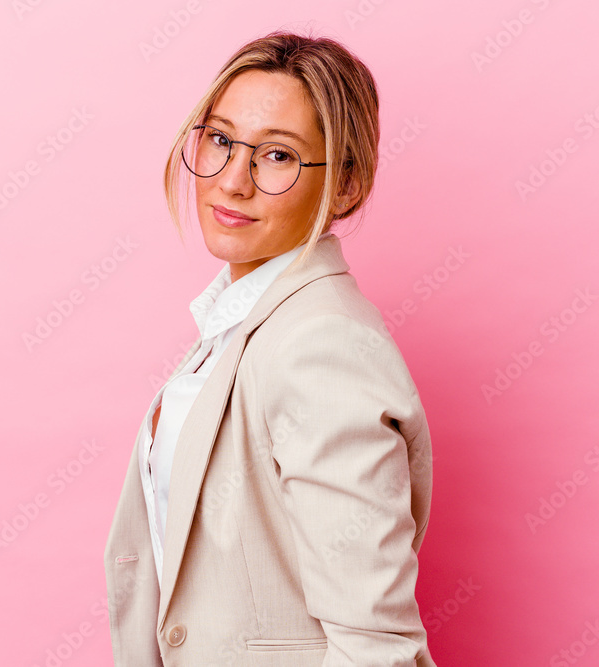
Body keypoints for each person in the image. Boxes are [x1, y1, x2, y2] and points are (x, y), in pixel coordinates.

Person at [104, 29, 436, 666]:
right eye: (222, 140)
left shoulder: (321, 345)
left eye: (278, 156)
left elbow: (375, 645)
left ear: (345, 186)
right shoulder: (239, 326)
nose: (231, 181)